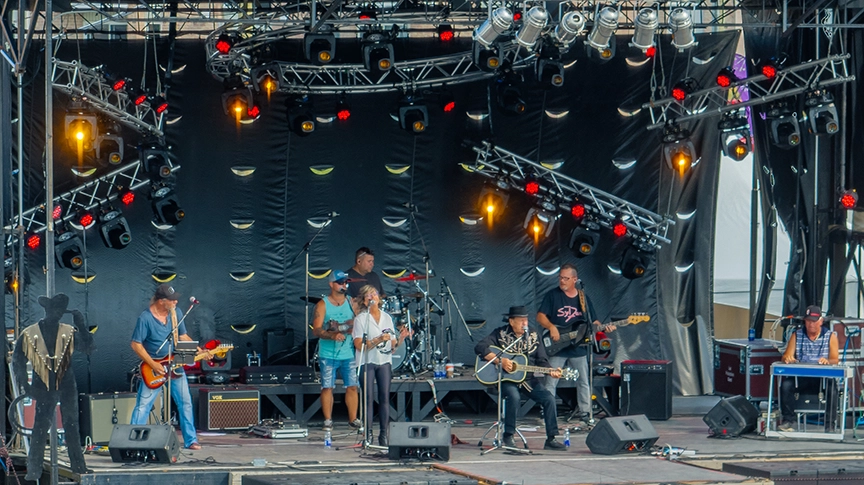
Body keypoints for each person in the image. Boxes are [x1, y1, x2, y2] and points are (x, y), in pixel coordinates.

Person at [13, 293, 93, 480]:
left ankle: (78, 466)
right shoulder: (30, 333)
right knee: (40, 427)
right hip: (42, 384)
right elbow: (18, 362)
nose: (56, 313)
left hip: (66, 384)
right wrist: (27, 387)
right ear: (47, 309)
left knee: (71, 425)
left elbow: (88, 348)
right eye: (54, 309)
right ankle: (33, 470)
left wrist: (81, 324)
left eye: (59, 310)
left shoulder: (69, 331)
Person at [475, 306, 567, 451]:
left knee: (548, 398)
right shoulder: (500, 334)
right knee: (514, 396)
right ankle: (508, 435)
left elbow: (541, 359)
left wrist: (551, 371)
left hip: (527, 379)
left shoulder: (534, 335)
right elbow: (480, 347)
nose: (525, 323)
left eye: (526, 320)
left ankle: (551, 438)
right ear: (511, 321)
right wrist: (500, 361)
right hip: (506, 379)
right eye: (521, 320)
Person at [537, 264, 615, 422]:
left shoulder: (583, 297)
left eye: (565, 278)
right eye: (560, 277)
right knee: (551, 380)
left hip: (578, 346)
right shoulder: (552, 295)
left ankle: (585, 412)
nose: (562, 281)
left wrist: (603, 328)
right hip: (558, 346)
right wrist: (552, 327)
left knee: (584, 380)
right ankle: (548, 410)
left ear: (574, 279)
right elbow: (540, 317)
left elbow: (594, 321)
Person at [130, 284, 201, 450]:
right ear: (162, 301)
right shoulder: (145, 318)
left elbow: (182, 335)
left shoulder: (176, 314)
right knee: (143, 405)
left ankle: (191, 440)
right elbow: (136, 344)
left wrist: (200, 350)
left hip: (175, 365)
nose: (176, 301)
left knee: (185, 402)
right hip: (154, 367)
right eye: (172, 299)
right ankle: (132, 440)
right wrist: (153, 364)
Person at [352, 284, 406, 446]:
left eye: (374, 294)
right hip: (366, 361)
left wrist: (401, 339)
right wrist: (377, 340)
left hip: (384, 361)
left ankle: (383, 435)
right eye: (368, 295)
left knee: (384, 397)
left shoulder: (387, 317)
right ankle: (368, 435)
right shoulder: (361, 319)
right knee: (368, 399)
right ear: (364, 300)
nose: (372, 297)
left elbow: (392, 346)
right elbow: (358, 344)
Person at [312, 270, 361, 431]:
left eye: (346, 282)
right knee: (327, 386)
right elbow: (316, 330)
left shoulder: (351, 302)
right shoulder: (322, 304)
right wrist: (332, 335)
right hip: (328, 353)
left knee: (352, 385)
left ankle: (353, 419)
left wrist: (347, 328)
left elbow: (359, 322)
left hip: (348, 352)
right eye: (340, 282)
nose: (344, 285)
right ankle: (328, 420)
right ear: (331, 284)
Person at [778, 305, 840, 431]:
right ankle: (788, 420)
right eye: (808, 321)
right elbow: (785, 356)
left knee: (832, 388)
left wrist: (827, 361)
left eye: (814, 321)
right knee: (786, 385)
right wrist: (788, 359)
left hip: (822, 379)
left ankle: (829, 424)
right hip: (802, 378)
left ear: (821, 321)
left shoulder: (830, 336)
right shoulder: (797, 335)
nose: (811, 324)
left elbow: (835, 359)